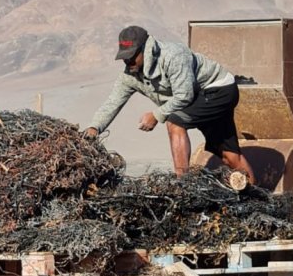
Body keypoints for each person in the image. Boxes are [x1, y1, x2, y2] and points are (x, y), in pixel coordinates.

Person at [85, 25, 255, 183]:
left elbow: (184, 96)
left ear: (146, 49)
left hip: (219, 88)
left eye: (131, 57)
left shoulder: (173, 56)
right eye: (124, 58)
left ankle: (183, 185)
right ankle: (258, 198)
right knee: (229, 156)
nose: (128, 63)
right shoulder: (130, 75)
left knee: (175, 122)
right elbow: (112, 102)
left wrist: (156, 115)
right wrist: (94, 128)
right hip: (199, 97)